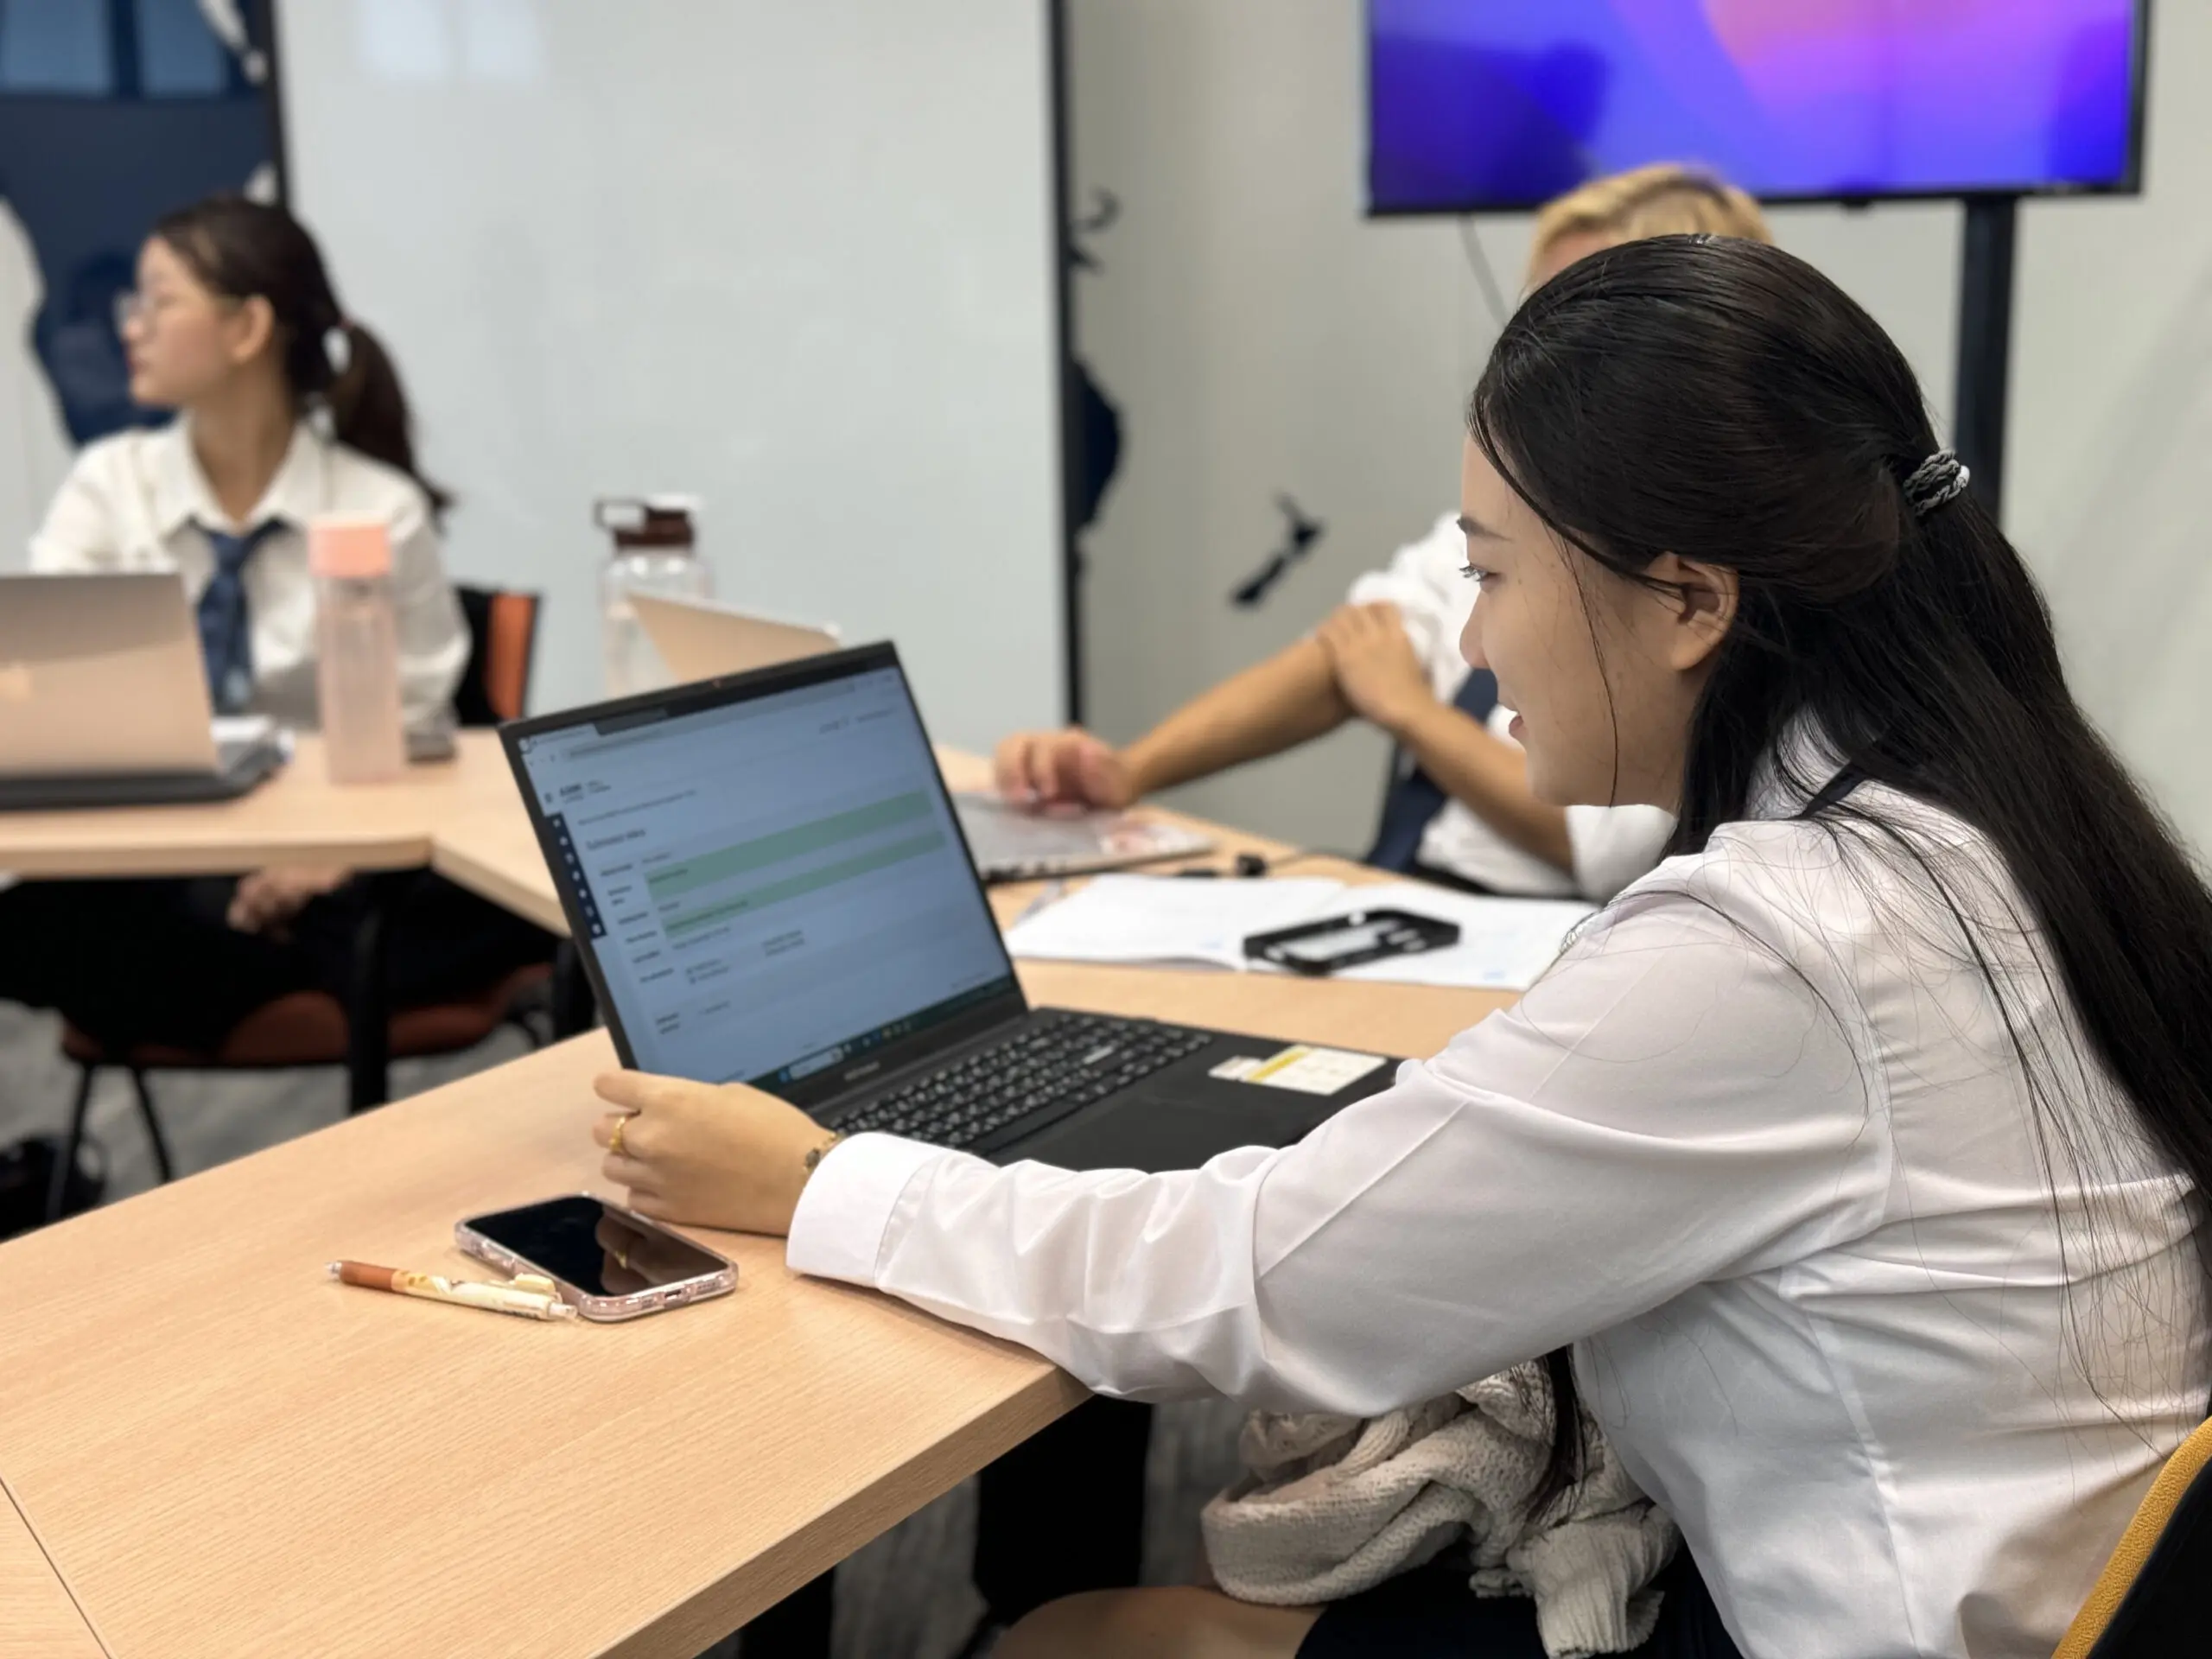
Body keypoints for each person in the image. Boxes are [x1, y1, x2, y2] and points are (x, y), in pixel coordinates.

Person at [586, 235, 2212, 1659]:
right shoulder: (1995, 824)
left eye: (1492, 574)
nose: (1477, 639)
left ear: (1689, 602)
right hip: (2005, 1596)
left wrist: (815, 1185)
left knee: (1089, 1638)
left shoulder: (1781, 951)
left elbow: (1256, 1283)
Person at [995, 165, 1770, 903]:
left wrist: (1407, 710)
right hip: (1412, 892)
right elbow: (1353, 652)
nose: (1534, 370)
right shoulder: (1507, 521)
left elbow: (1601, 850)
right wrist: (1129, 771)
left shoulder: (1707, 583)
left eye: (1579, 341)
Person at [0, 194, 551, 1055]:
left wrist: (322, 862)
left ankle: (255, 958)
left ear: (247, 327)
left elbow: (415, 735)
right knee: (57, 918)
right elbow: (51, 696)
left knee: (498, 900)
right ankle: (264, 959)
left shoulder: (378, 508)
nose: (130, 327)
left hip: (338, 868)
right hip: (156, 865)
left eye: (157, 298)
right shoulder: (110, 487)